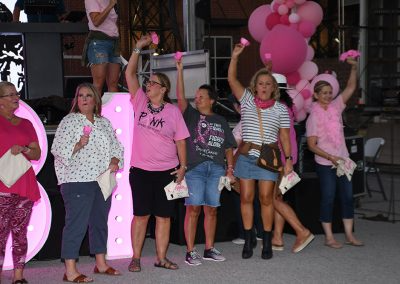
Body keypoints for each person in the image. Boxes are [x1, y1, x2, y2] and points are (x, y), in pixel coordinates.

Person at [125, 35, 189, 272]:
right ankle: (136, 257)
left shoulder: (173, 112)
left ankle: (161, 258)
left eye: (152, 83)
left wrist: (183, 167)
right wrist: (137, 49)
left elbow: (181, 140)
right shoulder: (140, 101)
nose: (147, 85)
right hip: (140, 171)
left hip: (167, 172)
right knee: (141, 215)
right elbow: (129, 75)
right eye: (148, 82)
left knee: (163, 217)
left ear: (163, 89)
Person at [51, 83, 124, 283]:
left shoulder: (104, 122)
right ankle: (70, 270)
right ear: (77, 99)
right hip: (76, 180)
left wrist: (115, 160)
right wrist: (77, 145)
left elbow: (117, 147)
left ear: (95, 100)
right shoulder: (69, 121)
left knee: (99, 222)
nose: (84, 99)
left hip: (102, 179)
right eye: (80, 95)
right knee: (76, 224)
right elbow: (57, 150)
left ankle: (101, 263)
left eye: (88, 95)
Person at [228, 43, 293, 260]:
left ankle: (266, 240)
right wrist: (235, 57)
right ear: (254, 87)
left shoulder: (281, 109)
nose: (264, 87)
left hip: (269, 158)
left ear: (273, 88)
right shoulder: (246, 101)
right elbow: (232, 80)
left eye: (268, 84)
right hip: (247, 156)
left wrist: (289, 159)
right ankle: (248, 240)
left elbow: (284, 136)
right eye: (260, 83)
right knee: (246, 197)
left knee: (266, 198)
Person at [175, 59, 236, 266]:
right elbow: (181, 98)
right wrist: (180, 70)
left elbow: (228, 147)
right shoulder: (191, 115)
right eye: (197, 96)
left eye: (202, 97)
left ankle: (209, 248)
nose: (197, 99)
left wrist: (229, 169)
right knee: (193, 208)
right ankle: (191, 251)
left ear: (211, 100)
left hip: (217, 169)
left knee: (212, 208)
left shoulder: (221, 121)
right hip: (195, 169)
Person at [306, 56, 363, 249]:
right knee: (328, 197)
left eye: (330, 93)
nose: (328, 96)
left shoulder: (336, 107)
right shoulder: (313, 117)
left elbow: (350, 88)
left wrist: (354, 68)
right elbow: (312, 145)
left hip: (343, 161)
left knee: (347, 197)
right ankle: (329, 237)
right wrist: (331, 157)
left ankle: (349, 235)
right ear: (315, 95)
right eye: (324, 93)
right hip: (326, 164)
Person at [0, 81, 41, 284]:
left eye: (16, 94)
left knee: (20, 231)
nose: (16, 97)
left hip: (24, 183)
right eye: (10, 95)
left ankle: (18, 275)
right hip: (2, 186)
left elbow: (37, 153)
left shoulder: (26, 123)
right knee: (0, 232)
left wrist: (24, 149)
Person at [270, 74, 315, 253]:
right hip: (288, 158)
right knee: (278, 198)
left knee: (272, 198)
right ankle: (278, 238)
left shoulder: (276, 108)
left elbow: (280, 136)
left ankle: (301, 231)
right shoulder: (287, 107)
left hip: (280, 159)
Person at [83, 0, 121, 95]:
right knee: (99, 82)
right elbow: (96, 21)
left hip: (113, 42)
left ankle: (112, 109)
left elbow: (112, 23)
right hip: (99, 42)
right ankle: (94, 109)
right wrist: (111, 5)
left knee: (113, 83)